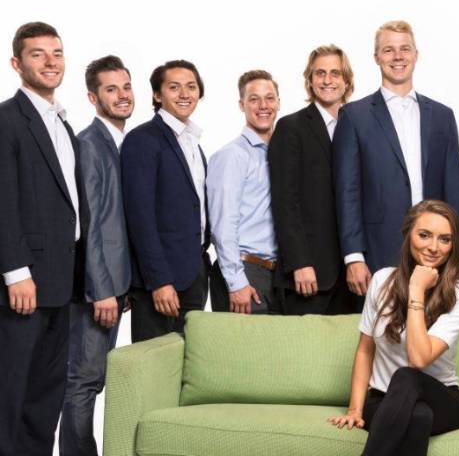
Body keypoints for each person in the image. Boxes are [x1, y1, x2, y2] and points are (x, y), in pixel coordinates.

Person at [334, 21, 459, 307]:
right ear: (377, 58)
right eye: (388, 50)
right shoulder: (354, 116)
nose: (397, 56)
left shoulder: (443, 116)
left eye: (404, 49)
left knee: (430, 339)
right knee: (381, 339)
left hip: (435, 254)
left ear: (416, 55)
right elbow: (347, 192)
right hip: (379, 251)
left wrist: (457, 252)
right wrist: (354, 256)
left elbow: (454, 189)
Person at [0, 22, 88, 454]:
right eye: (38, 54)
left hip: (60, 281)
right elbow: (3, 201)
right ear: (17, 64)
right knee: (10, 395)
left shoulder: (63, 125)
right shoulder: (6, 120)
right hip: (25, 283)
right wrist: (16, 272)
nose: (50, 61)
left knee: (45, 398)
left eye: (57, 52)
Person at [328, 200, 459, 456]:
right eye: (424, 235)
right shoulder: (382, 280)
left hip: (444, 400)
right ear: (408, 235)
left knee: (407, 376)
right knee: (418, 417)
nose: (433, 247)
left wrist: (416, 289)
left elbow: (418, 359)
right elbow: (365, 351)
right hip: (384, 398)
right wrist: (355, 409)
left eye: (444, 239)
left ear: (454, 246)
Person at [60, 55, 135, 455]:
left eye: (126, 87)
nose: (122, 96)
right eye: (111, 89)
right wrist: (102, 290)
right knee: (84, 381)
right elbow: (88, 225)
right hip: (96, 290)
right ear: (93, 97)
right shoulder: (90, 145)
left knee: (93, 379)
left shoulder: (122, 141)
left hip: (115, 286)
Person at [121, 59, 210, 342]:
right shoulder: (143, 140)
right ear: (158, 96)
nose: (184, 93)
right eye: (174, 87)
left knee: (188, 366)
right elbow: (140, 218)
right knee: (154, 366)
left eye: (191, 87)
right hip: (162, 281)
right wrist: (158, 280)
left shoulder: (192, 142)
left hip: (193, 274)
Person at [269, 45, 356, 315]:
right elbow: (285, 202)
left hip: (353, 275)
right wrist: (299, 263)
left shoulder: (359, 125)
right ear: (310, 80)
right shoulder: (290, 127)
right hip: (309, 274)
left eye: (335, 73)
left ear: (347, 81)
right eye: (320, 73)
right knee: (304, 355)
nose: (328, 80)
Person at [207, 70, 281, 314]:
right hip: (245, 271)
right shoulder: (232, 156)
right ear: (242, 105)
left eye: (269, 98)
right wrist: (236, 281)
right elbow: (222, 224)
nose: (263, 106)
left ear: (278, 103)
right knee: (242, 352)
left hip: (276, 275)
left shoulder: (280, 153)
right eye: (254, 99)